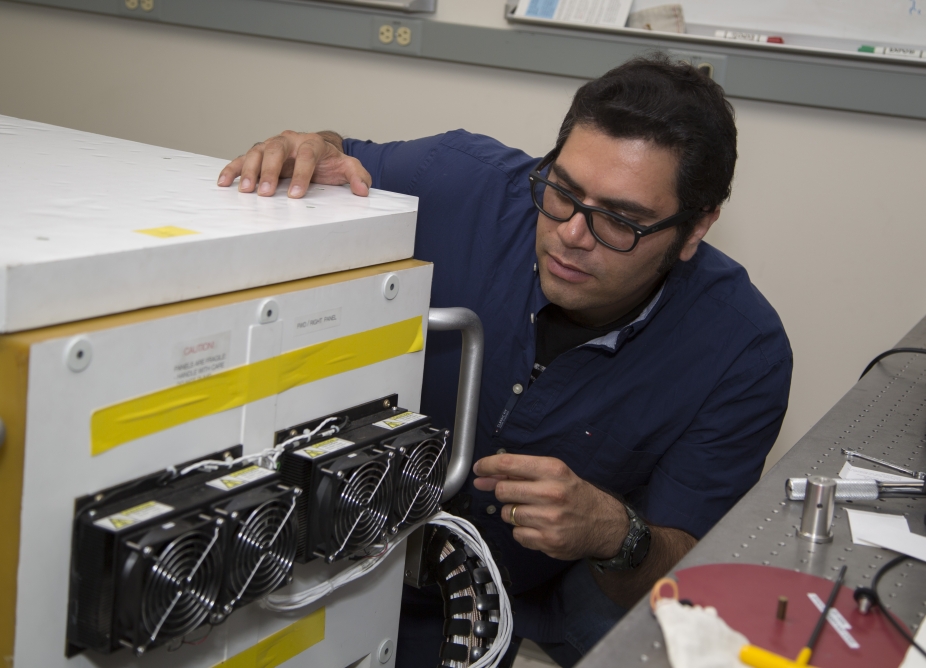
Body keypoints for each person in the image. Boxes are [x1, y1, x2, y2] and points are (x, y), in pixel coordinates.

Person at [217, 55, 792, 667]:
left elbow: (685, 578)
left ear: (696, 229)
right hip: (327, 568)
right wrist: (305, 145)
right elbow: (339, 154)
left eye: (620, 220)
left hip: (523, 608)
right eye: (563, 191)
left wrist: (615, 533)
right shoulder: (462, 183)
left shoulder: (741, 352)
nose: (572, 233)